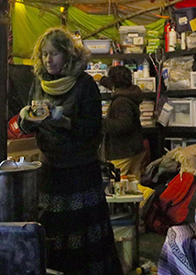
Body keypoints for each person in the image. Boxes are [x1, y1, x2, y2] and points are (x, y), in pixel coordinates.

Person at [18, 27, 123, 275]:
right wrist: (26, 119)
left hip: (80, 173)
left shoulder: (85, 85)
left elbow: (93, 129)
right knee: (52, 232)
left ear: (67, 55)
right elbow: (30, 121)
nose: (48, 60)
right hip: (50, 172)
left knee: (83, 237)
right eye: (44, 54)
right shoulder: (39, 83)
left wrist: (64, 121)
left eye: (54, 54)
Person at [101, 66, 145, 179]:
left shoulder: (121, 101)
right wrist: (101, 79)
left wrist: (100, 122)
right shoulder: (130, 92)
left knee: (116, 182)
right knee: (133, 183)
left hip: (122, 151)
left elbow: (122, 124)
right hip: (134, 149)